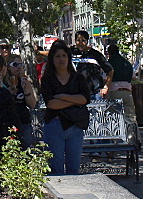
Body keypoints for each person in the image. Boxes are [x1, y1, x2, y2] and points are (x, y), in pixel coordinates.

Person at [41, 39, 90, 175]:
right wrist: (75, 100)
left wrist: (62, 96)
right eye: (57, 56)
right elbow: (51, 104)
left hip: (74, 126)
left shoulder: (78, 78)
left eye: (64, 55)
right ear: (52, 59)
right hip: (54, 125)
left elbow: (85, 99)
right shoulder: (47, 79)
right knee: (55, 169)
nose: (61, 59)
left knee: (73, 169)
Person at [104, 40, 140, 145]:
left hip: (113, 92)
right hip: (127, 92)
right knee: (131, 117)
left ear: (109, 53)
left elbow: (104, 78)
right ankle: (134, 139)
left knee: (112, 116)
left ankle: (113, 141)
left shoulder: (109, 64)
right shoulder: (126, 63)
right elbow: (133, 77)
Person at [70, 30, 113, 100]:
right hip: (76, 92)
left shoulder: (96, 54)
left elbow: (110, 70)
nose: (80, 43)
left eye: (83, 40)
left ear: (87, 41)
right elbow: (54, 54)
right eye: (78, 40)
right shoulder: (71, 52)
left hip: (95, 93)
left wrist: (106, 87)